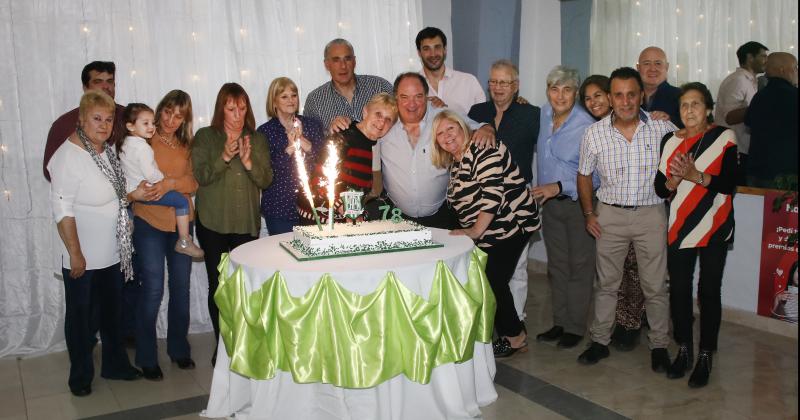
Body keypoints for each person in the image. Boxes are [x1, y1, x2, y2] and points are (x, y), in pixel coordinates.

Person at [576, 67, 676, 373]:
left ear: (641, 95)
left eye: (632, 94)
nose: (625, 101)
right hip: (610, 215)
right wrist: (589, 212)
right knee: (606, 284)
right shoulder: (594, 133)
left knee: (655, 286)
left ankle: (659, 345)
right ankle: (599, 342)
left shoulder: (663, 129)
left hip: (651, 215)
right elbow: (583, 175)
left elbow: (684, 160)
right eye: (618, 95)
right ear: (609, 98)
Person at [48, 90, 142, 396]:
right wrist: (75, 254)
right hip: (82, 255)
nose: (103, 125)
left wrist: (135, 196)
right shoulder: (67, 156)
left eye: (109, 119)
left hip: (112, 251)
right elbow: (62, 210)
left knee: (111, 314)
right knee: (81, 319)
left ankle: (114, 365)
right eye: (96, 119)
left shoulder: (106, 150)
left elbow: (115, 192)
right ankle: (80, 377)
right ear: (81, 119)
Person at [430, 110, 540, 357]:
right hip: (492, 230)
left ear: (463, 128)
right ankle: (506, 330)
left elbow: (492, 194)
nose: (447, 136)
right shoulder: (459, 160)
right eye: (440, 133)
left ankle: (515, 336)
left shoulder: (482, 149)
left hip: (511, 224)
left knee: (493, 280)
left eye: (451, 128)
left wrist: (475, 231)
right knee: (489, 280)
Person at [654, 82, 737, 388]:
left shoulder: (723, 137)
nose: (689, 110)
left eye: (696, 104)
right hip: (679, 225)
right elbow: (660, 188)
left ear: (709, 108)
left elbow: (729, 183)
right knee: (678, 290)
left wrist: (696, 176)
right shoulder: (669, 141)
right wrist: (675, 180)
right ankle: (685, 349)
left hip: (715, 223)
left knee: (708, 290)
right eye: (684, 105)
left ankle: (705, 354)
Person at [192, 83, 273, 364]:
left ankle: (243, 342)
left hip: (244, 223)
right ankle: (222, 345)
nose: (237, 115)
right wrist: (225, 156)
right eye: (230, 109)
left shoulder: (257, 138)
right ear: (220, 110)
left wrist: (249, 163)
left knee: (244, 286)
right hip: (212, 222)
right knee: (218, 285)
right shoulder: (205, 137)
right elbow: (200, 176)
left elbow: (266, 180)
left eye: (242, 108)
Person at [129, 90, 199, 380]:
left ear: (185, 118)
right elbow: (132, 176)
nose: (171, 119)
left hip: (182, 224)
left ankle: (178, 349)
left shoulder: (187, 144)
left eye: (178, 115)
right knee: (153, 289)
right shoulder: (144, 140)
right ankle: (146, 356)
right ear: (160, 110)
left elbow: (194, 181)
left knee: (181, 289)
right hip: (150, 223)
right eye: (168, 111)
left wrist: (171, 183)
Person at [527, 66, 597, 349]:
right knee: (557, 267)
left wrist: (560, 186)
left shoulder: (587, 125)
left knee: (579, 266)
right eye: (554, 88)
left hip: (578, 204)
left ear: (576, 93)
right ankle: (560, 322)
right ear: (547, 91)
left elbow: (597, 175)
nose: (560, 95)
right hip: (550, 207)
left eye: (567, 89)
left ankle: (576, 327)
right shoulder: (543, 114)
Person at [468, 59, 540, 322]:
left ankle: (515, 319)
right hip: (483, 197)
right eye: (493, 82)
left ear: (516, 86)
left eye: (504, 82)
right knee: (485, 263)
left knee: (517, 265)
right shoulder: (477, 112)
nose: (498, 87)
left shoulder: (531, 115)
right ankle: (491, 318)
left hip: (517, 198)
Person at [380, 72, 495, 229]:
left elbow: (478, 126)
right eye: (404, 97)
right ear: (396, 98)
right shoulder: (384, 123)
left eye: (418, 96)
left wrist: (487, 128)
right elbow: (362, 130)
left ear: (427, 96)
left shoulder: (443, 117)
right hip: (397, 217)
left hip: (442, 215)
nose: (411, 104)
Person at [118, 103, 203, 258]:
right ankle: (184, 241)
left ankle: (128, 225)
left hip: (135, 191)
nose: (151, 127)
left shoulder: (124, 144)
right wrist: (164, 181)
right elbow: (151, 174)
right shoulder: (144, 147)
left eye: (151, 123)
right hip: (149, 197)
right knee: (181, 202)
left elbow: (193, 182)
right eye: (145, 123)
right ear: (130, 126)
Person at [298, 93, 398, 224]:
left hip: (342, 216)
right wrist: (347, 207)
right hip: (318, 216)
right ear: (365, 112)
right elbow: (321, 177)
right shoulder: (344, 136)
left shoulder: (372, 145)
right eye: (378, 114)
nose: (382, 122)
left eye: (388, 119)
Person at [258, 77, 326, 235]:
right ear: (274, 102)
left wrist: (301, 141)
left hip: (312, 206)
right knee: (282, 257)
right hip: (279, 209)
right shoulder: (265, 132)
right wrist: (289, 147)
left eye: (294, 95)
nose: (290, 100)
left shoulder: (312, 125)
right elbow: (266, 172)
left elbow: (325, 160)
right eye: (284, 96)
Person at [44, 61, 126, 181]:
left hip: (129, 194)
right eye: (98, 81)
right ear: (85, 87)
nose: (106, 86)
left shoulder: (129, 117)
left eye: (109, 81)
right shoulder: (64, 124)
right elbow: (50, 172)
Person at [304, 38, 393, 131]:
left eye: (347, 59)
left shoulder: (380, 86)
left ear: (354, 61)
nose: (343, 66)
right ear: (327, 65)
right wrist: (331, 134)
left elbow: (399, 126)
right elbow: (312, 141)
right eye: (336, 60)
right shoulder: (315, 100)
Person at [715, 41, 769, 185]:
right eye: (763, 56)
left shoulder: (753, 82)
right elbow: (730, 116)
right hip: (735, 151)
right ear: (750, 58)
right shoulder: (738, 80)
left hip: (745, 150)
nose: (766, 61)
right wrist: (762, 106)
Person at [745, 52, 799, 188]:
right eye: (795, 67)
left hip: (757, 170)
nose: (796, 72)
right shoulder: (794, 96)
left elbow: (748, 123)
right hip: (786, 176)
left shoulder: (759, 97)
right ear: (782, 70)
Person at [416, 27, 485, 114]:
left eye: (437, 47)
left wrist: (446, 111)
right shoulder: (411, 87)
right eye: (426, 49)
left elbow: (484, 123)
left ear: (445, 50)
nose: (433, 54)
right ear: (419, 53)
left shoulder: (469, 82)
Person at [637, 46, 682, 128]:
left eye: (658, 63)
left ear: (667, 67)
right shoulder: (629, 98)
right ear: (638, 68)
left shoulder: (681, 96)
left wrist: (670, 120)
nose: (653, 69)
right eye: (647, 63)